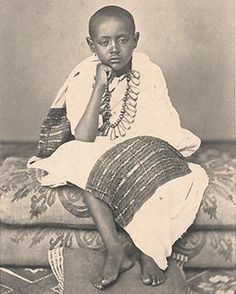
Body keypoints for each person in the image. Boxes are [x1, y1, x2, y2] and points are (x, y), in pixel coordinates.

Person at [28, 5, 209, 290]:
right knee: (81, 160)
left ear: (135, 40)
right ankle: (115, 249)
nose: (114, 48)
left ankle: (150, 249)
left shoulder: (149, 71)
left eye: (123, 40)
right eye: (104, 42)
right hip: (97, 148)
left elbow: (161, 125)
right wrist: (99, 87)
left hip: (145, 146)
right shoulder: (83, 76)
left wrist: (132, 150)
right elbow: (84, 137)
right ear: (91, 44)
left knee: (167, 171)